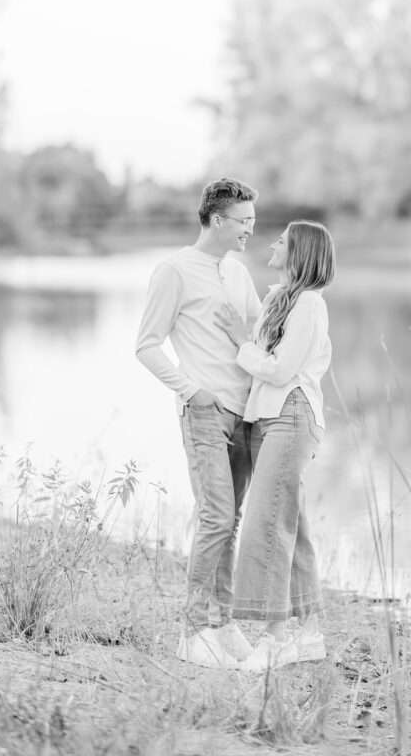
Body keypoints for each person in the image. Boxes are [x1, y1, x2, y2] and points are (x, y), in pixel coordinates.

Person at [135, 176, 261, 669]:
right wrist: (192, 391)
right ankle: (191, 632)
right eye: (244, 221)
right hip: (205, 413)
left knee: (230, 520)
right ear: (216, 220)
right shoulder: (174, 271)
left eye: (252, 221)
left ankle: (220, 623)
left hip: (246, 412)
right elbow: (146, 344)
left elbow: (254, 334)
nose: (250, 229)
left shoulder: (239, 273)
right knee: (214, 516)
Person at [214, 219, 335, 671]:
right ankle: (309, 633)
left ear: (300, 252)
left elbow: (280, 370)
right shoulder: (279, 299)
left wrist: (240, 339)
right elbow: (260, 364)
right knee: (291, 522)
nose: (273, 243)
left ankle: (274, 636)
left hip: (292, 413)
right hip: (268, 418)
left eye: (283, 241)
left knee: (266, 521)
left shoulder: (308, 304)